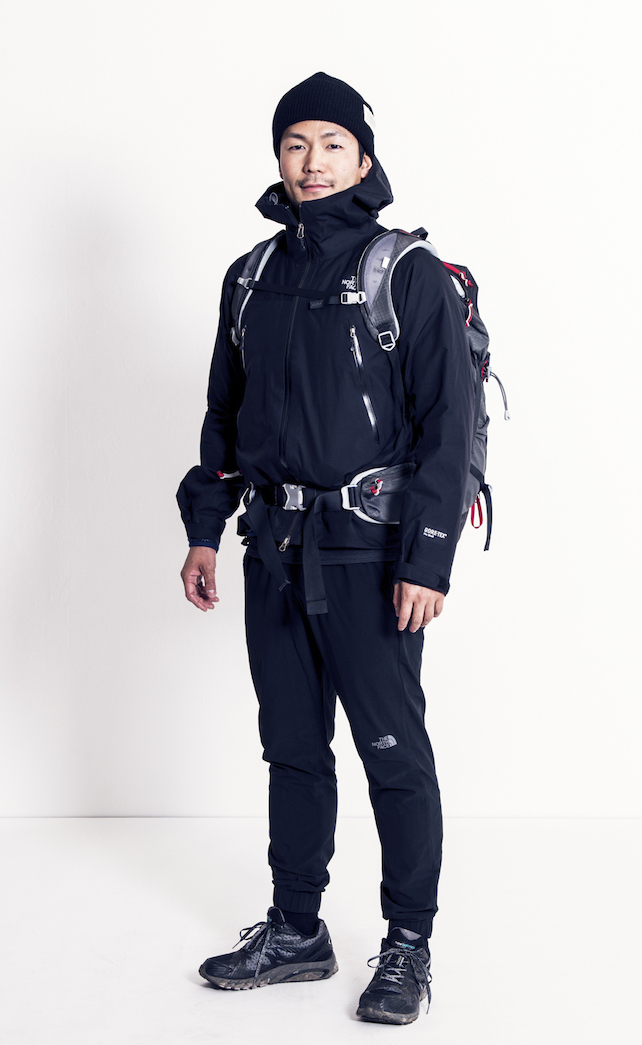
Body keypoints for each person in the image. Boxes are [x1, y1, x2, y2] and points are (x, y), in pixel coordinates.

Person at [177, 71, 475, 1025]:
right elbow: (224, 415)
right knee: (293, 749)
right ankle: (297, 928)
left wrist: (427, 559)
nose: (312, 161)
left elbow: (451, 426)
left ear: (363, 158)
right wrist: (205, 529)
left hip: (371, 560)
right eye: (295, 144)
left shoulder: (405, 272)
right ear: (278, 157)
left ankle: (408, 943)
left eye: (332, 143)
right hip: (272, 551)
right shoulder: (250, 276)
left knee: (395, 754)